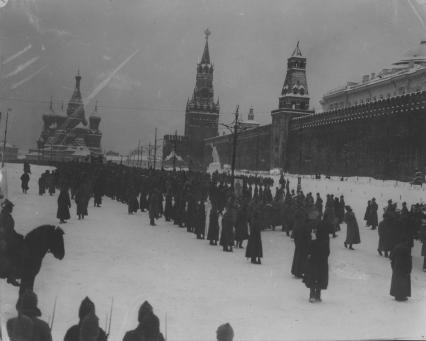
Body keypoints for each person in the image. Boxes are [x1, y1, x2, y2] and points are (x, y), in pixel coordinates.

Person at [303, 224, 330, 303]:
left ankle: (314, 295)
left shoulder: (318, 235)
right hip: (319, 260)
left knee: (314, 277)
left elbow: (311, 246)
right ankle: (316, 295)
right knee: (318, 277)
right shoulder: (322, 235)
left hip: (317, 259)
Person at [0, 199, 22, 286]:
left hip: (7, 239)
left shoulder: (6, 215)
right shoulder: (3, 216)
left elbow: (10, 230)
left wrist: (18, 235)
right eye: (10, 207)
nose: (12, 209)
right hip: (4, 241)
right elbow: (3, 231)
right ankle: (11, 276)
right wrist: (5, 240)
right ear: (7, 208)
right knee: (13, 255)